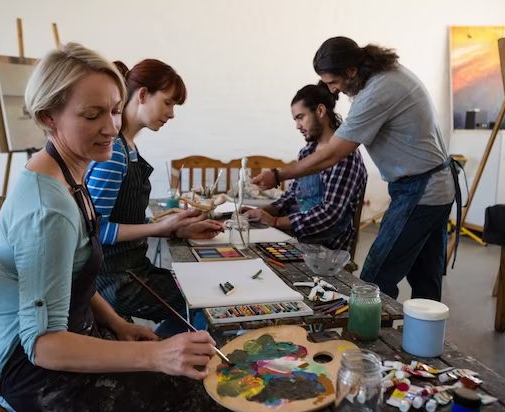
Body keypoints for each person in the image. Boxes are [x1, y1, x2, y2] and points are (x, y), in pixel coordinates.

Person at [0, 42, 237, 412]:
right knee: (209, 401)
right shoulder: (48, 210)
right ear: (48, 117)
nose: (111, 127)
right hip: (32, 372)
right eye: (91, 115)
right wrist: (154, 354)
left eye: (116, 111)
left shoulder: (72, 176)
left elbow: (73, 281)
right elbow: (43, 344)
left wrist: (118, 324)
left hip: (76, 336)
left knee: (205, 380)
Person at [252, 37, 461, 302]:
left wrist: (278, 175)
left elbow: (332, 156)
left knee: (376, 277)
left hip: (422, 190)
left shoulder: (379, 90)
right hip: (433, 185)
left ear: (351, 71)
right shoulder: (385, 77)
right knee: (425, 276)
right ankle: (426, 340)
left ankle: (373, 341)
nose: (332, 90)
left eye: (332, 82)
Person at [85, 59, 223, 334]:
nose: (171, 114)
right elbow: (94, 229)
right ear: (143, 94)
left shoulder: (127, 148)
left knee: (203, 290)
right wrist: (163, 227)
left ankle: (157, 350)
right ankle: (157, 357)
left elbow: (123, 218)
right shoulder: (113, 154)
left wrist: (178, 230)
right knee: (208, 302)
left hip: (132, 270)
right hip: (114, 282)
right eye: (168, 102)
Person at [244, 82, 367, 252]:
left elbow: (330, 215)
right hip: (296, 236)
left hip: (326, 248)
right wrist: (258, 212)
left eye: (300, 117)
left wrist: (275, 222)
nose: (297, 126)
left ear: (320, 111)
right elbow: (292, 196)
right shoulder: (307, 152)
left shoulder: (346, 156)